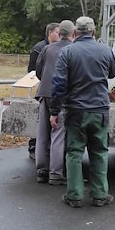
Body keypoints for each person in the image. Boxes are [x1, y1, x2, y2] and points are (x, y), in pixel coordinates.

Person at [50, 16, 115, 208]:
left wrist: (54, 111)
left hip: (76, 110)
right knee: (99, 152)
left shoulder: (67, 52)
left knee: (74, 152)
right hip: (99, 109)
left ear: (75, 32)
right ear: (93, 31)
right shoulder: (105, 50)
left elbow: (59, 84)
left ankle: (74, 195)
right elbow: (113, 73)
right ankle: (100, 195)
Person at [34, 20, 76, 185]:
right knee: (58, 133)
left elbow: (39, 71)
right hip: (62, 95)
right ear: (73, 33)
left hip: (44, 93)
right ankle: (56, 173)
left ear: (60, 33)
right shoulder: (72, 50)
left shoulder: (47, 49)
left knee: (42, 133)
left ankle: (41, 170)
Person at [27, 23, 61, 160]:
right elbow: (33, 70)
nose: (60, 35)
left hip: (53, 89)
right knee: (40, 123)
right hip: (43, 89)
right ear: (50, 33)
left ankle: (47, 152)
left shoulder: (58, 47)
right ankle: (34, 148)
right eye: (57, 32)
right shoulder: (40, 48)